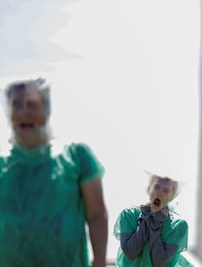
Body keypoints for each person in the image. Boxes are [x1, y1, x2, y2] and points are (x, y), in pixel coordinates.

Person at [0, 78, 108, 266]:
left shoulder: (76, 156)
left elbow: (96, 214)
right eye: (16, 105)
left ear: (47, 109)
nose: (24, 112)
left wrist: (99, 261)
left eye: (32, 104)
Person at [113, 172, 190, 267]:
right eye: (156, 187)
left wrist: (156, 225)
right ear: (149, 189)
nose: (159, 193)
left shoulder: (178, 225)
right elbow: (130, 253)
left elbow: (159, 262)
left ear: (172, 196)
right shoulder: (129, 215)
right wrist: (144, 219)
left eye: (166, 190)